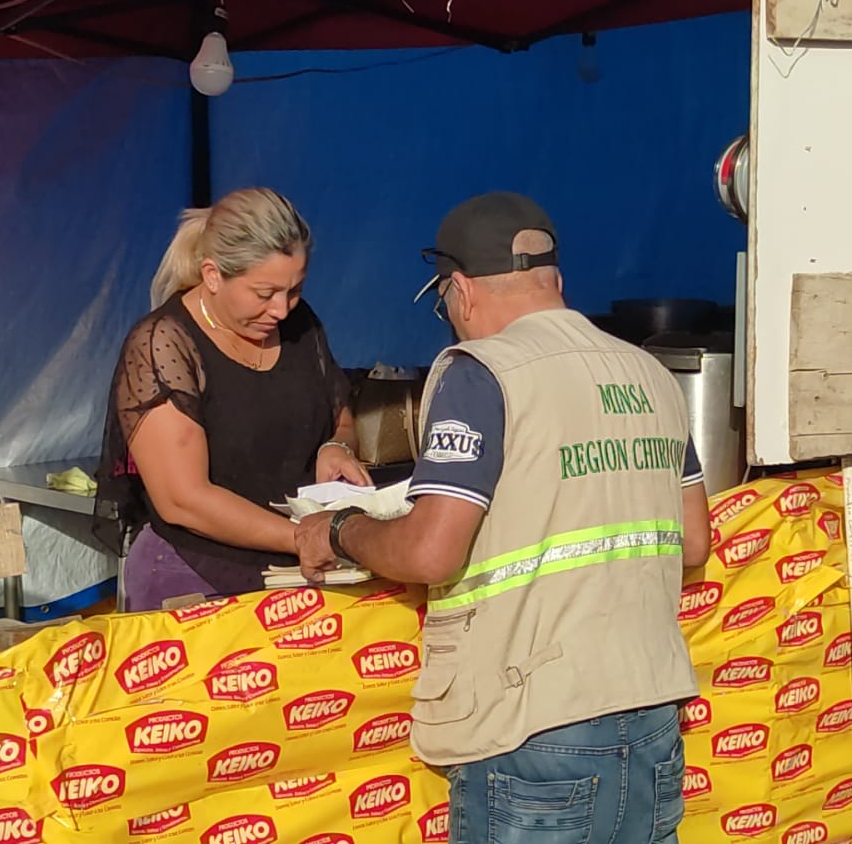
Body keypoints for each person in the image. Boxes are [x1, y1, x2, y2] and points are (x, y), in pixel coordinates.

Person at [294, 192, 711, 844]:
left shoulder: (481, 373)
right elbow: (693, 541)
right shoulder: (650, 373)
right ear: (555, 281)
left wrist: (341, 529)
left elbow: (431, 551)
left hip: (532, 727)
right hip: (651, 716)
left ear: (459, 290)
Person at [94, 187, 371, 610]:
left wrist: (336, 447)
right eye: (264, 293)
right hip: (194, 580)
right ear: (212, 275)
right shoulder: (162, 344)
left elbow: (340, 418)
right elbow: (183, 500)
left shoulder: (300, 325)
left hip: (294, 575)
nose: (281, 309)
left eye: (294, 290)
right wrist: (302, 537)